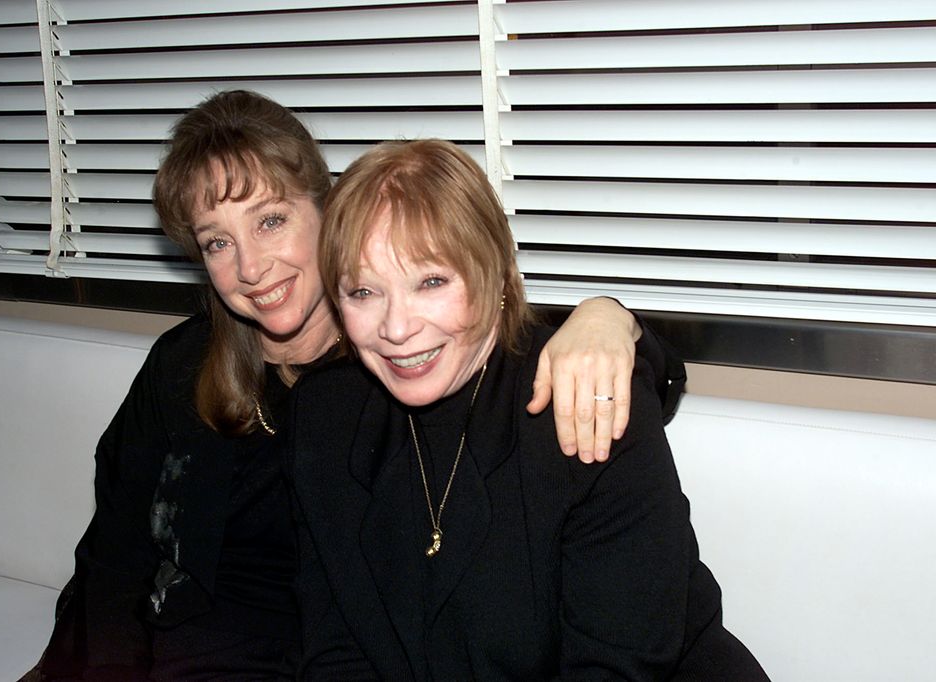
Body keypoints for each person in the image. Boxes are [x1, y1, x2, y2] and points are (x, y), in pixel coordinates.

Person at [25, 91, 668, 681]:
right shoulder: (191, 366)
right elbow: (116, 548)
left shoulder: (401, 371)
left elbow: (535, 358)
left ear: (324, 211)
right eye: (218, 242)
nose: (251, 267)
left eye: (270, 221)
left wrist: (611, 318)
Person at [290, 139, 767, 680]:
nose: (396, 329)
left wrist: (610, 314)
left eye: (432, 281)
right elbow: (335, 648)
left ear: (493, 272)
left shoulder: (586, 399)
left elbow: (616, 668)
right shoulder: (325, 416)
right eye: (363, 291)